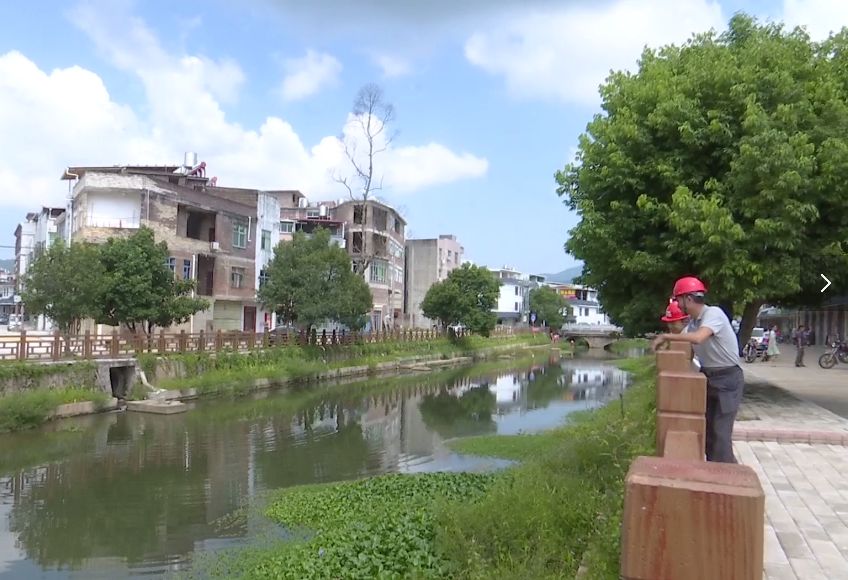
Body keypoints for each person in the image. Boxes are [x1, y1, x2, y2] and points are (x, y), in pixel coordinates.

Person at [651, 276, 744, 464]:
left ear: (688, 299)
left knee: (721, 434)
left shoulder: (713, 314)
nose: (678, 304)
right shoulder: (693, 322)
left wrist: (666, 337)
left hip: (727, 379)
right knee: (708, 433)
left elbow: (699, 338)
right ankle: (717, 472)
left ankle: (726, 478)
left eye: (678, 300)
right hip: (708, 377)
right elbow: (682, 342)